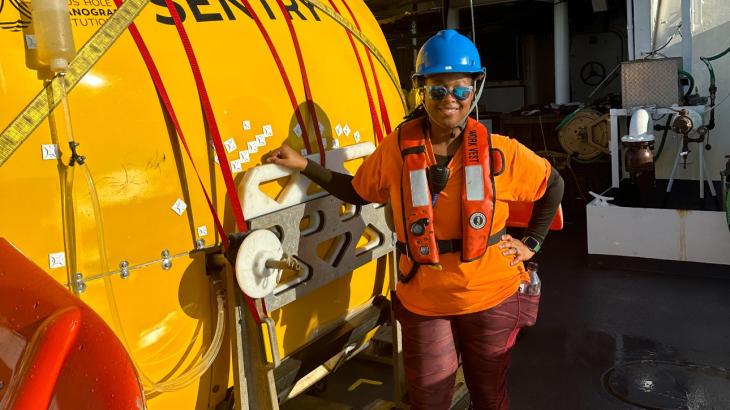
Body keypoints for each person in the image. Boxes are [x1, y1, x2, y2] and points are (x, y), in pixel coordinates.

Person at [266, 29, 564, 410]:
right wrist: (304, 165)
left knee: (490, 395)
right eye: (437, 90)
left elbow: (551, 185)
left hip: (491, 295)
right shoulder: (395, 149)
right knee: (428, 399)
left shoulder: (499, 151)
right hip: (425, 300)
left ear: (475, 89)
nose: (449, 100)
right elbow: (358, 190)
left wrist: (531, 244)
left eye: (460, 89)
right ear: (420, 91)